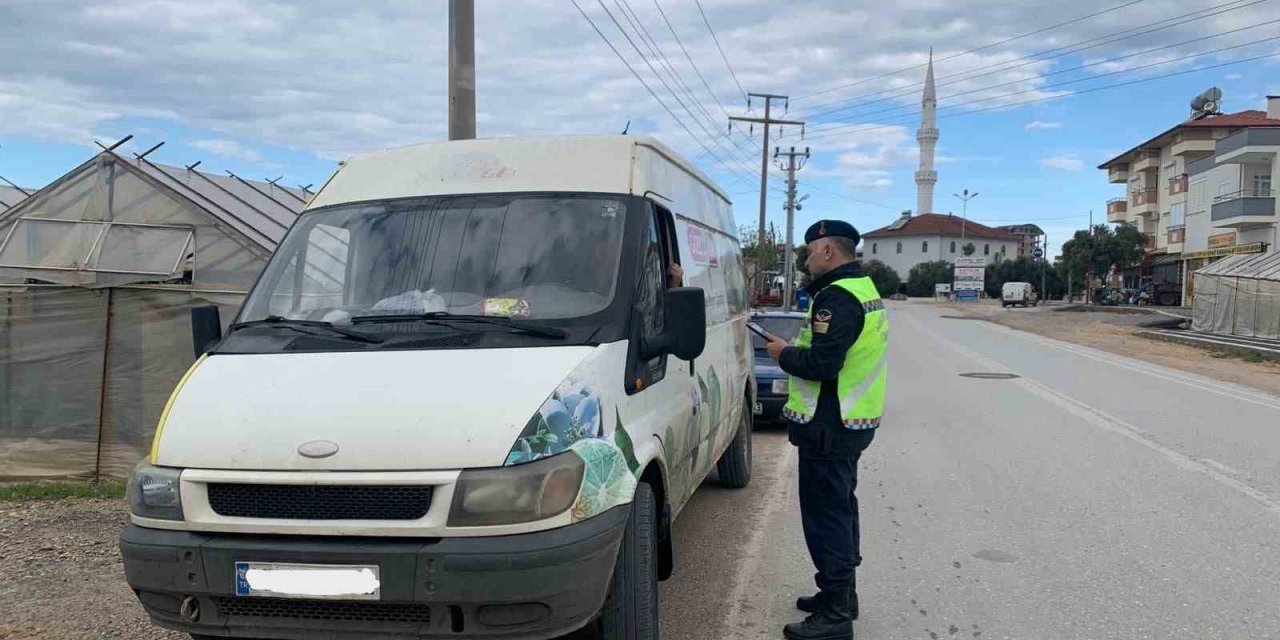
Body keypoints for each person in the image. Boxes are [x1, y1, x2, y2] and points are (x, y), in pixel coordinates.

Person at [763, 219, 889, 640]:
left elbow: (822, 365)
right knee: (841, 509)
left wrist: (783, 354)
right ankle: (841, 594)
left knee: (826, 517)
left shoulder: (836, 298)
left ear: (828, 251)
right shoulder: (863, 289)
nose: (807, 258)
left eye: (810, 251)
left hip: (829, 427)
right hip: (849, 422)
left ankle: (835, 615)